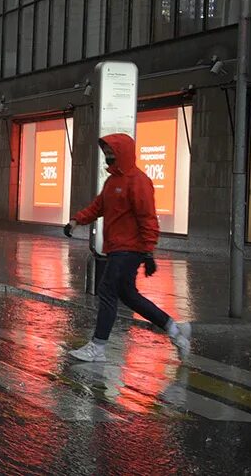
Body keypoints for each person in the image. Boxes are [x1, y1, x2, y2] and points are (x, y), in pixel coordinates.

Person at [63, 133, 191, 362]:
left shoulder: (138, 181)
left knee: (107, 290)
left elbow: (148, 218)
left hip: (129, 249)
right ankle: (174, 330)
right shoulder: (112, 182)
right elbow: (97, 207)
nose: (108, 157)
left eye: (111, 153)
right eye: (106, 153)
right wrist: (76, 221)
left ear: (123, 154)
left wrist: (149, 252)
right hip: (117, 247)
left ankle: (98, 347)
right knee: (128, 295)